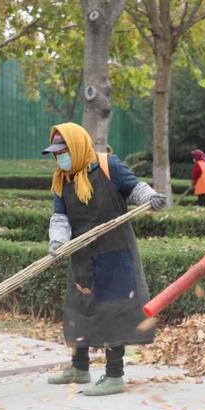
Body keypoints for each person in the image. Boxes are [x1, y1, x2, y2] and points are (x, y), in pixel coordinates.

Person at [43, 122, 167, 395]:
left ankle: (114, 376)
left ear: (76, 145)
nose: (58, 158)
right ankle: (79, 367)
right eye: (55, 153)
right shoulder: (63, 179)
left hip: (114, 251)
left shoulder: (108, 165)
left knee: (114, 311)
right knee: (79, 308)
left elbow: (134, 188)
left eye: (62, 152)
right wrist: (57, 242)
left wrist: (150, 197)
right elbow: (60, 216)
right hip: (82, 254)